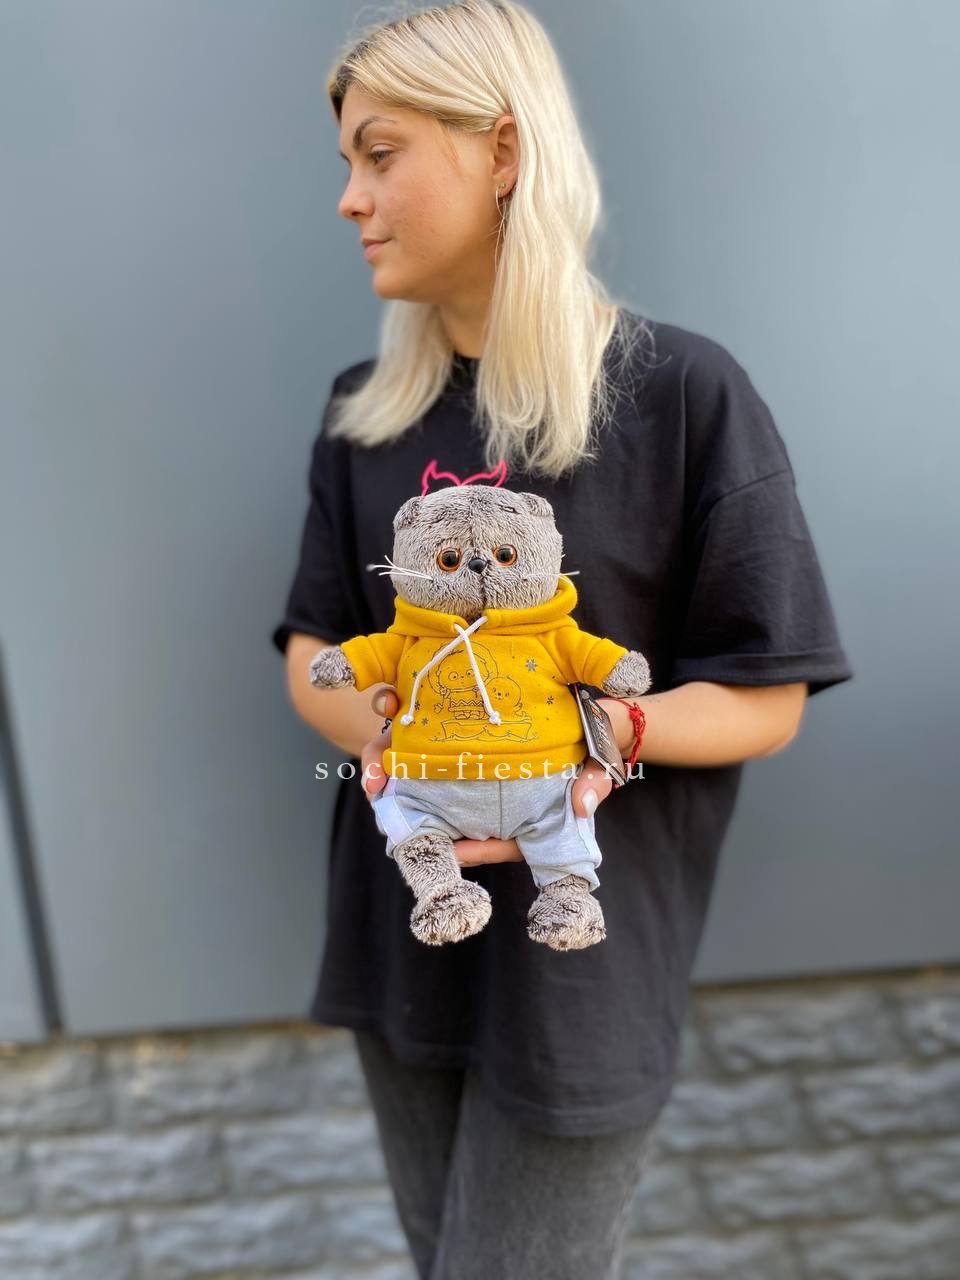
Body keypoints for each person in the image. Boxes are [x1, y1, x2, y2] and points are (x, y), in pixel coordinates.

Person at [271, 3, 854, 1277]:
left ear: (502, 151)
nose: (350, 198)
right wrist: (420, 742)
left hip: (581, 964)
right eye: (348, 162)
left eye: (380, 153)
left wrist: (592, 735)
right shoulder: (362, 416)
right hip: (405, 925)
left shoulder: (684, 396)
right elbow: (313, 646)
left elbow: (766, 693)